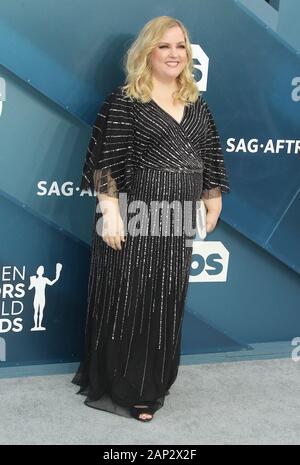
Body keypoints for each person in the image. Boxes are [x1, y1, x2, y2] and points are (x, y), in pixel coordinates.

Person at [72, 15, 230, 422]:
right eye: (164, 46)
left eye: (180, 46)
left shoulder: (197, 103)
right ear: (147, 52)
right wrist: (110, 214)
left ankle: (152, 383)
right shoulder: (126, 100)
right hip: (136, 215)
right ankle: (126, 387)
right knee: (129, 300)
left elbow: (209, 156)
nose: (174, 54)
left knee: (165, 304)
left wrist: (213, 199)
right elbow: (106, 165)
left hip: (177, 219)